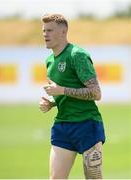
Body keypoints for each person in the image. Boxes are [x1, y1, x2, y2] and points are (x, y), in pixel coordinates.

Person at [39, 13, 106, 180]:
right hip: (62, 126)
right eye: (44, 30)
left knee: (94, 178)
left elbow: (96, 93)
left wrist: (62, 90)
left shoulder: (77, 55)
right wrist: (51, 102)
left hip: (87, 125)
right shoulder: (49, 60)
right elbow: (61, 92)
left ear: (63, 32)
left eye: (50, 30)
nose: (45, 34)